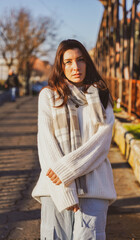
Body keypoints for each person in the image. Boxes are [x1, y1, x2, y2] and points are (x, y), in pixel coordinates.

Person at [32, 39, 117, 240]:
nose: (75, 67)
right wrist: (64, 189)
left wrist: (65, 171)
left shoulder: (102, 97)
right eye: (68, 62)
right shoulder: (48, 96)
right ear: (60, 66)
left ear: (87, 62)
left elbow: (101, 144)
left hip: (94, 188)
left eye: (80, 60)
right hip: (55, 188)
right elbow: (46, 144)